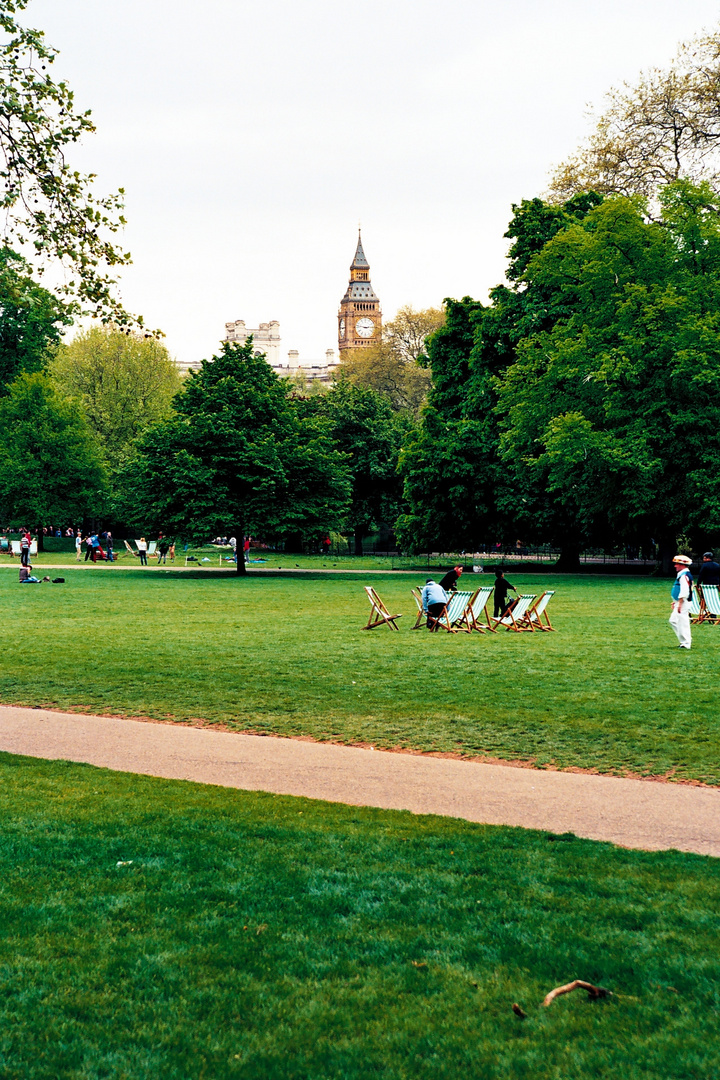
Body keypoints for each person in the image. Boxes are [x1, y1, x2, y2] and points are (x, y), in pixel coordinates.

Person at [669, 554, 693, 650]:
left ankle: (686, 643)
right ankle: (684, 640)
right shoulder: (683, 574)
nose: (675, 566)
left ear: (682, 565)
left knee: (682, 622)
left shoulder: (684, 576)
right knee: (673, 620)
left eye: (677, 564)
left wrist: (679, 602)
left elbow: (684, 590)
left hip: (683, 603)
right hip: (680, 602)